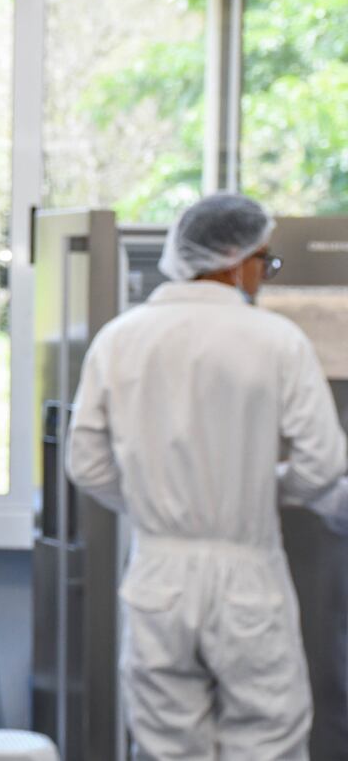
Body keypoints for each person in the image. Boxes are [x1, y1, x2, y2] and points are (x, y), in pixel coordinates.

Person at [67, 192, 346, 760]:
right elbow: (324, 466)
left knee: (167, 746)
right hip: (248, 577)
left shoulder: (119, 340)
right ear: (235, 258)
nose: (263, 276)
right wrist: (257, 490)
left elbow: (85, 464)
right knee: (266, 741)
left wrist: (154, 499)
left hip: (158, 574)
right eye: (264, 262)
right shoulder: (276, 342)